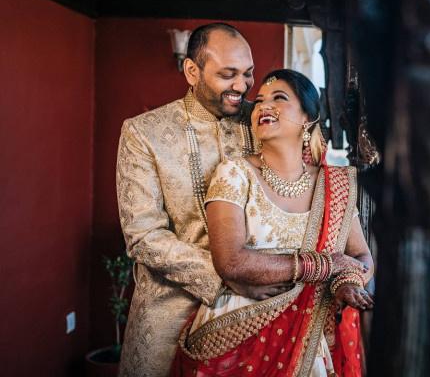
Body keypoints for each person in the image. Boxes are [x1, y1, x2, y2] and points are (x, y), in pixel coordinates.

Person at [171, 69, 374, 377]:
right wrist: (324, 266)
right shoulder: (235, 173)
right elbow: (231, 261)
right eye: (260, 100)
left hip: (312, 337)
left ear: (308, 118)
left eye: (279, 98)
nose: (263, 106)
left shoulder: (335, 185)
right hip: (240, 330)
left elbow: (360, 258)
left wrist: (346, 282)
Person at [117, 23, 284, 377]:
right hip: (168, 316)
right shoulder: (143, 133)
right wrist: (229, 274)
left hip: (257, 312)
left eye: (248, 74)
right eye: (228, 74)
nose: (242, 86)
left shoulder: (264, 122)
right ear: (192, 71)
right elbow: (143, 236)